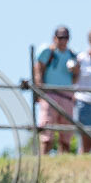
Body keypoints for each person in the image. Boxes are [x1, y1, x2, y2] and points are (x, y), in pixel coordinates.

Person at [33, 26, 79, 154]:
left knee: (66, 135)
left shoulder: (72, 55)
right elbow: (38, 70)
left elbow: (76, 79)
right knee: (47, 132)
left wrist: (75, 71)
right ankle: (44, 160)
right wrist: (40, 91)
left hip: (67, 96)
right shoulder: (47, 52)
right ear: (54, 38)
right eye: (60, 37)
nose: (63, 40)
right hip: (50, 94)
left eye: (65, 37)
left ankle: (63, 160)